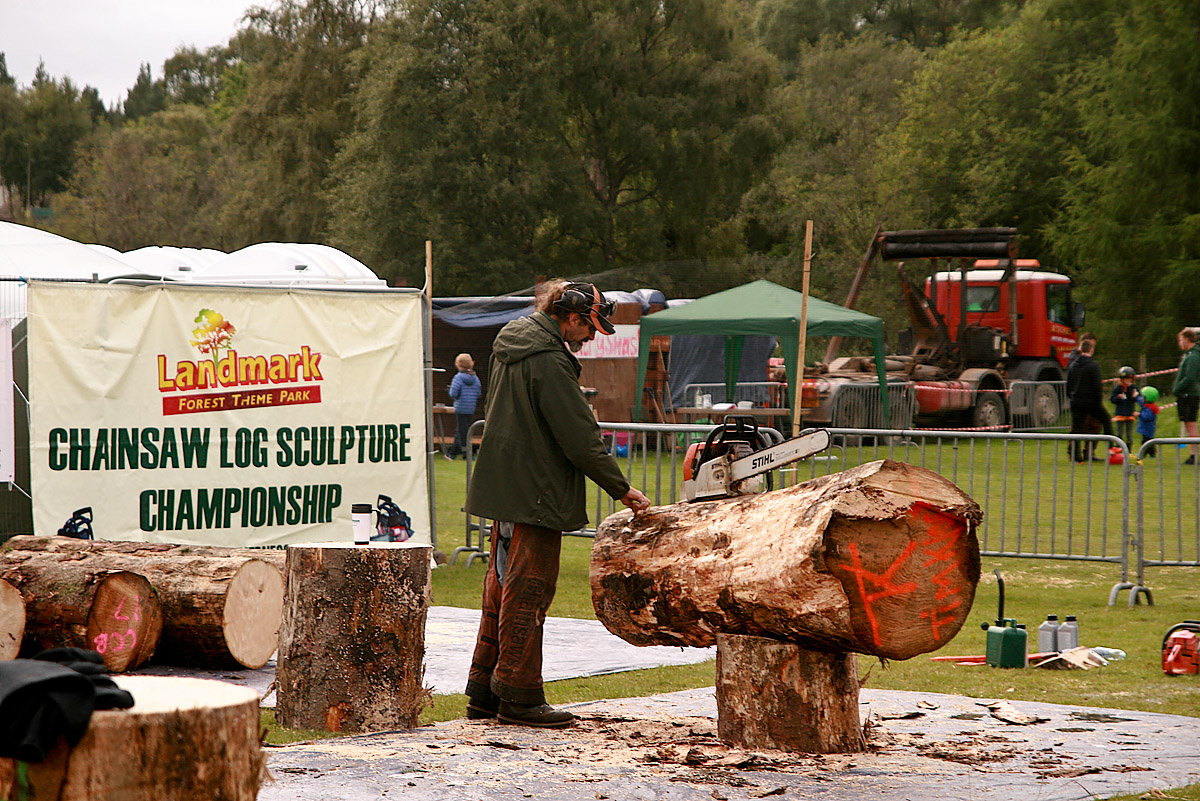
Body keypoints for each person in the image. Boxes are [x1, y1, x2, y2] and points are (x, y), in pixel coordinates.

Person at [463, 279, 651, 729]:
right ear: (570, 316)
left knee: (501, 588)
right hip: (537, 492)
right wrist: (622, 489)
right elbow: (579, 438)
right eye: (589, 328)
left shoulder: (513, 340)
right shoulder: (549, 359)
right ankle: (520, 695)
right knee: (529, 591)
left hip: (508, 487)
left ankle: (485, 692)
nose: (589, 338)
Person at [1066, 336, 1112, 463]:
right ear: (1091, 350)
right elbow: (1097, 385)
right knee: (1106, 420)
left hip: (1076, 401)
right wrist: (1098, 402)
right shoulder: (1093, 366)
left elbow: (1069, 384)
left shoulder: (1074, 365)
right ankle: (1113, 448)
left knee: (1077, 429)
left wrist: (1071, 396)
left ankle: (1076, 456)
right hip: (1091, 402)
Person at [444, 353, 482, 460]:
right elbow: (478, 393)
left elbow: (453, 393)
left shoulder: (458, 377)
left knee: (463, 431)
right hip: (471, 407)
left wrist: (449, 390)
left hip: (460, 407)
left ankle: (467, 454)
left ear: (458, 365)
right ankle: (452, 454)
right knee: (461, 429)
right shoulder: (475, 377)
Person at [1173, 327, 1200, 464]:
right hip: (1185, 394)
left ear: (1186, 339)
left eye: (1180, 340)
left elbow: (1190, 377)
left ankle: (1194, 454)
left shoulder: (1194, 356)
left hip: (1190, 394)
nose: (1179, 343)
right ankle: (1193, 453)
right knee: (1188, 423)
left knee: (1191, 423)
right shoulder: (1190, 355)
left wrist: (1178, 388)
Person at [1110, 366, 1140, 449]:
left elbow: (1136, 398)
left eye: (1130, 379)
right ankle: (1118, 448)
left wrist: (1135, 396)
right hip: (1120, 413)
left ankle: (1128, 449)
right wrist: (1118, 398)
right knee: (1119, 432)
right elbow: (1112, 399)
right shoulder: (1118, 388)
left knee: (1129, 434)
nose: (1128, 381)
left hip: (1130, 413)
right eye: (1126, 379)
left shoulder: (1133, 388)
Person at [1138, 386, 1161, 457]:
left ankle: (1143, 454)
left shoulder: (1149, 408)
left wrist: (1139, 414)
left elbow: (1147, 417)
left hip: (1147, 428)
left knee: (1146, 442)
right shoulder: (1149, 405)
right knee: (1149, 441)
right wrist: (1136, 397)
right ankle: (1151, 454)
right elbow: (1141, 402)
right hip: (1147, 428)